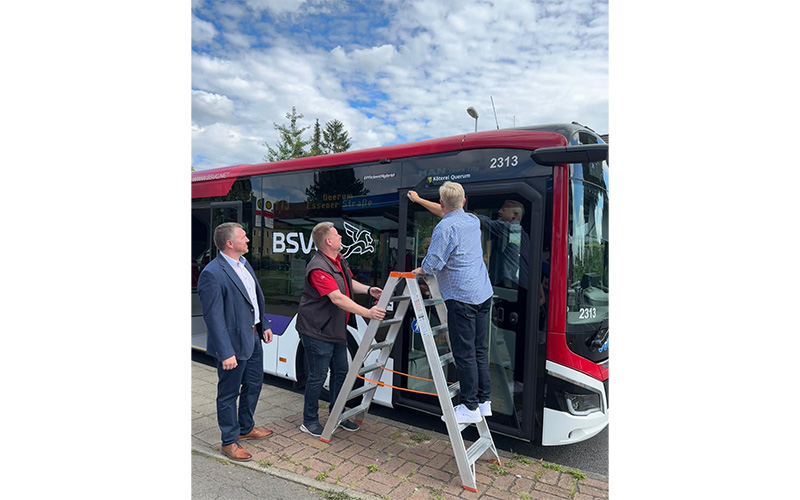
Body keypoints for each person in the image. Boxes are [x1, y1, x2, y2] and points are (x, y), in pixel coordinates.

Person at [409, 182, 494, 424]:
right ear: (464, 202)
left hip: (462, 296)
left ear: (442, 203)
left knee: (464, 353)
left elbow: (433, 263)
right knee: (479, 349)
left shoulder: (444, 228)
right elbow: (448, 212)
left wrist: (419, 269)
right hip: (483, 292)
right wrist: (419, 201)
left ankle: (469, 406)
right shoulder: (472, 221)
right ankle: (483, 401)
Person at [296, 222, 386, 437]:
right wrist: (368, 313)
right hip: (317, 332)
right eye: (337, 235)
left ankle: (337, 414)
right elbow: (336, 298)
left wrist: (368, 290)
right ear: (328, 241)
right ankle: (309, 421)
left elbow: (347, 283)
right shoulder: (318, 267)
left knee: (341, 372)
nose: (341, 237)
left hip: (335, 330)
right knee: (318, 375)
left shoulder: (338, 261)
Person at [197, 222, 275, 462]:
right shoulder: (212, 273)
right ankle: (229, 441)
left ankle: (246, 427)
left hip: (252, 336)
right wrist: (225, 352)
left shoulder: (243, 263)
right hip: (232, 344)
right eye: (244, 237)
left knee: (253, 384)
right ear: (229, 243)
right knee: (229, 393)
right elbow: (214, 317)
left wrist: (264, 324)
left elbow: (254, 298)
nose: (248, 240)